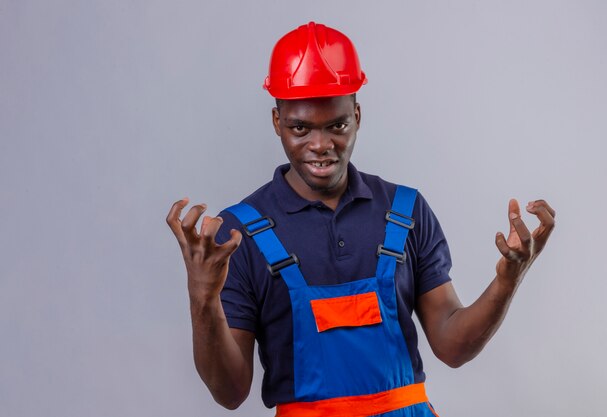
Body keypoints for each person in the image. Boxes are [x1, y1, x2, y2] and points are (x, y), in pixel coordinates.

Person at [166, 22, 555, 417]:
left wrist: (507, 281)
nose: (321, 146)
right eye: (300, 128)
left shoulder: (406, 211)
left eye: (337, 126)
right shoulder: (240, 234)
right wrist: (202, 297)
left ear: (356, 115)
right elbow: (229, 392)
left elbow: (452, 346)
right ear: (276, 121)